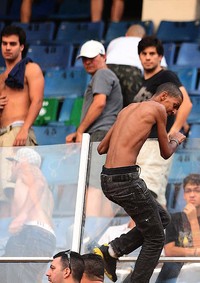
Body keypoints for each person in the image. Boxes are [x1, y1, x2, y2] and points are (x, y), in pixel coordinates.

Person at [93, 82, 186, 282]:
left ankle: (111, 251)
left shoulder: (127, 109)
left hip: (107, 179)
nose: (174, 111)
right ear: (163, 96)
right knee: (156, 238)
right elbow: (165, 152)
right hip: (126, 180)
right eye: (175, 104)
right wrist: (176, 139)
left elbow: (101, 148)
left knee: (162, 218)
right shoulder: (158, 108)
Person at [134, 36, 192, 206]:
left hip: (157, 143)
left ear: (160, 57)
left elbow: (186, 103)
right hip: (145, 143)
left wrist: (174, 130)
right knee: (155, 196)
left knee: (148, 192)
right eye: (144, 53)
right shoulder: (143, 81)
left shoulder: (166, 75)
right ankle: (160, 231)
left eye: (152, 53)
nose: (148, 57)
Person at [155, 174, 200, 283]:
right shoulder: (174, 218)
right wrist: (196, 251)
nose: (192, 195)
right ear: (184, 195)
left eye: (197, 191)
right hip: (174, 270)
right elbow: (169, 251)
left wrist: (193, 220)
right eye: (188, 191)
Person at [1, 147, 56, 283]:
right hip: (41, 237)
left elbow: (38, 184)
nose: (11, 168)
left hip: (32, 234)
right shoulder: (47, 192)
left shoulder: (27, 170)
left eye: (12, 163)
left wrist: (22, 216)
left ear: (19, 163)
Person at [67, 40, 123, 143]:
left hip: (100, 133)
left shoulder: (102, 73)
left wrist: (80, 131)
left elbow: (99, 103)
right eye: (84, 59)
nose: (87, 62)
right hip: (100, 132)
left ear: (104, 57)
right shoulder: (104, 75)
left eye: (92, 58)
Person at [0, 25, 44, 147]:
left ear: (21, 47)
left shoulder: (31, 69)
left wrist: (24, 129)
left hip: (18, 131)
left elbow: (37, 101)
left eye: (12, 44)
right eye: (4, 43)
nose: (8, 48)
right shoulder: (1, 78)